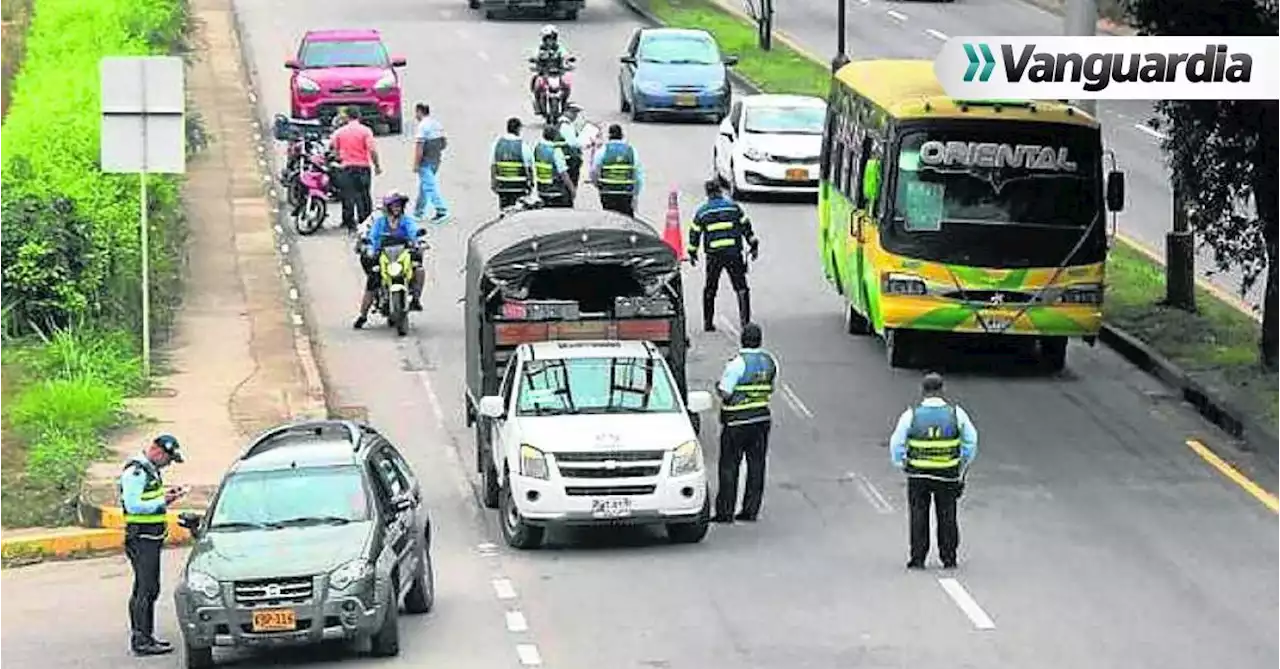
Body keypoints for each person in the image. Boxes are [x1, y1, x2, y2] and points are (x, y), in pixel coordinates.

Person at [889, 372, 979, 570]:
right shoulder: (956, 414)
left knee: (918, 514)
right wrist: (961, 462)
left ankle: (918, 558)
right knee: (947, 514)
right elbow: (971, 441)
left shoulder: (911, 415)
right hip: (947, 474)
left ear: (923, 391)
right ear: (942, 390)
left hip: (918, 474)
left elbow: (896, 443)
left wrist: (902, 463)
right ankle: (949, 558)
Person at [119, 434, 186, 656]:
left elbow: (149, 498)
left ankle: (146, 636)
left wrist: (168, 496)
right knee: (145, 589)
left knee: (149, 588)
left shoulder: (150, 471)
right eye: (168, 458)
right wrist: (162, 501)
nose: (168, 464)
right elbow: (134, 505)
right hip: (141, 538)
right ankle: (141, 639)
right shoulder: (136, 472)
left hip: (151, 538)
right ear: (158, 451)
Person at [713, 323, 778, 523]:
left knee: (729, 466)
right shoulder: (769, 362)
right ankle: (750, 510)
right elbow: (771, 387)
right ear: (760, 340)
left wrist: (717, 387)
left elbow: (726, 391)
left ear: (742, 339)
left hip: (736, 421)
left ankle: (725, 512)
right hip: (761, 419)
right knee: (756, 465)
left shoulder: (737, 364)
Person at [688, 179, 758, 332]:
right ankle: (745, 322)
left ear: (707, 193)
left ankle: (708, 323)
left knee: (710, 288)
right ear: (720, 191)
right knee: (741, 287)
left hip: (714, 256)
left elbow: (694, 234)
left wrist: (692, 253)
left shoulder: (703, 212)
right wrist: (753, 246)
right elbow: (747, 228)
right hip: (733, 253)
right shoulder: (734, 208)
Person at [354, 190, 425, 328]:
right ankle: (363, 315)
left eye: (399, 205)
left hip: (402, 255)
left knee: (419, 270)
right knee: (374, 278)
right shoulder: (380, 222)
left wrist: (418, 243)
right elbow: (373, 238)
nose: (396, 208)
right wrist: (369, 249)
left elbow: (413, 234)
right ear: (388, 208)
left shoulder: (406, 221)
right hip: (384, 256)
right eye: (393, 206)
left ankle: (415, 299)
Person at [330, 107, 382, 231]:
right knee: (364, 195)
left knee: (348, 195)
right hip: (363, 167)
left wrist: (341, 157)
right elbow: (372, 150)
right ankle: (365, 222)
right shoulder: (365, 131)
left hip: (346, 168)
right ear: (359, 116)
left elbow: (333, 149)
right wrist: (377, 165)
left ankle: (349, 223)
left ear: (347, 117)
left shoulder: (340, 132)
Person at [591, 123, 643, 215]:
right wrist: (635, 193)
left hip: (607, 191)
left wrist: (598, 185)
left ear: (609, 136)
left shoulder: (603, 150)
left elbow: (594, 171)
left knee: (609, 216)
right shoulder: (631, 151)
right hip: (626, 192)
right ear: (622, 135)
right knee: (626, 217)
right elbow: (637, 174)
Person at [412, 102, 450, 223]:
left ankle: (441, 210)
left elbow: (419, 146)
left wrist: (416, 163)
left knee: (429, 187)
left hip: (425, 160)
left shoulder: (423, 126)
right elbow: (444, 143)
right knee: (424, 186)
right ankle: (418, 212)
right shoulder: (436, 124)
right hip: (436, 159)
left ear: (419, 112)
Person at [491, 116, 535, 209]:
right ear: (518, 129)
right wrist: (531, 184)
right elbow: (528, 168)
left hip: (502, 185)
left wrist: (493, 182)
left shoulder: (498, 144)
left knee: (504, 208)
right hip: (518, 186)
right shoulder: (523, 145)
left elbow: (493, 166)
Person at [533, 126, 576, 207]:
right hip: (557, 192)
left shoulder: (538, 148)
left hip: (542, 191)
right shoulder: (556, 151)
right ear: (555, 136)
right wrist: (572, 189)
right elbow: (563, 174)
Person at [529, 24, 572, 102]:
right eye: (548, 38)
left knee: (567, 84)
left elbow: (565, 54)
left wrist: (568, 59)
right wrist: (534, 59)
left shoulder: (559, 48)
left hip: (558, 72)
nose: (550, 41)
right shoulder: (540, 49)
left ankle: (564, 101)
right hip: (544, 72)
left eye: (552, 38)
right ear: (544, 39)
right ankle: (537, 101)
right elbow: (535, 55)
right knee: (537, 85)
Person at [555, 103, 585, 188]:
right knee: (570, 186)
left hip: (566, 159)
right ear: (566, 112)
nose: (575, 116)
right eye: (573, 113)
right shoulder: (565, 125)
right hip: (569, 160)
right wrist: (586, 142)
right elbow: (573, 143)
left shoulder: (565, 124)